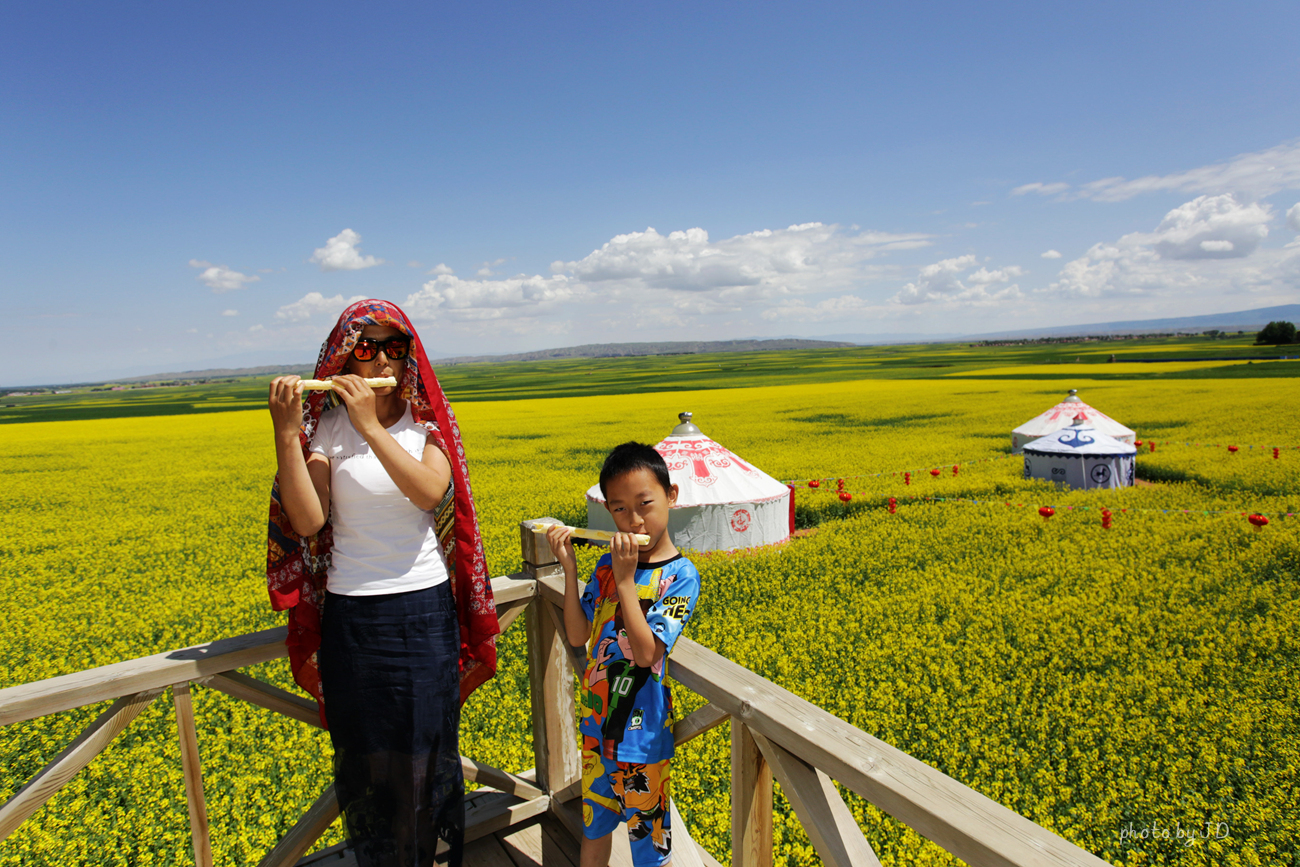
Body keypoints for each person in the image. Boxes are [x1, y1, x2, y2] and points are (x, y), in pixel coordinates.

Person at [265, 299, 499, 867]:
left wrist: (371, 425)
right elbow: (308, 521)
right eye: (365, 348)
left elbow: (428, 492)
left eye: (396, 348)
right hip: (353, 621)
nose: (380, 362)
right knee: (366, 765)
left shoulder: (428, 424)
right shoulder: (330, 431)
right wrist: (288, 434)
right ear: (345, 358)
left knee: (424, 759)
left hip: (422, 614)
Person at [545, 442, 701, 867]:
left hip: (642, 743)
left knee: (649, 850)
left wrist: (627, 580)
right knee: (593, 833)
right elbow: (578, 636)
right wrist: (571, 568)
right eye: (618, 509)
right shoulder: (603, 566)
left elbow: (649, 652)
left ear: (671, 496)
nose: (633, 520)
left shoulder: (680, 576)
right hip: (597, 730)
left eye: (645, 503)